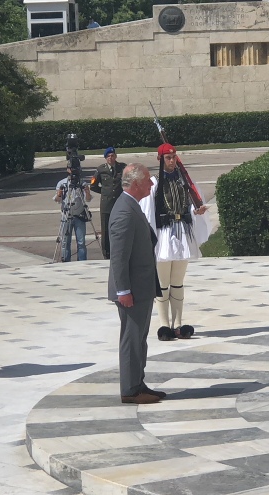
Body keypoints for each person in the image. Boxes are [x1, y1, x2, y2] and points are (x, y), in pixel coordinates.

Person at [139, 143, 210, 341]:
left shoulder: (183, 181)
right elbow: (147, 213)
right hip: (164, 235)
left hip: (182, 233)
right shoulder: (153, 184)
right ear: (160, 159)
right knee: (163, 284)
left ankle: (177, 324)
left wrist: (196, 212)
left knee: (177, 283)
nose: (171, 161)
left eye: (173, 157)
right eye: (168, 158)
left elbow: (190, 205)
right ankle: (164, 325)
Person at [108, 163, 166, 405]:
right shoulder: (124, 211)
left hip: (140, 288)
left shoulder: (131, 206)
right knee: (132, 339)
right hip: (131, 290)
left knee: (139, 338)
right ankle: (130, 390)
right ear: (136, 184)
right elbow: (119, 256)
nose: (152, 185)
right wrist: (123, 290)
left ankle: (137, 383)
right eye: (148, 181)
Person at [89, 147, 127, 258]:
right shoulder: (101, 170)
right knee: (106, 230)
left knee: (122, 227)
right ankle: (107, 254)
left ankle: (121, 250)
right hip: (106, 204)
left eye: (112, 155)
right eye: (108, 156)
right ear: (105, 158)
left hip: (120, 203)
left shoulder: (122, 167)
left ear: (115, 156)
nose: (110, 158)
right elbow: (93, 185)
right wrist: (105, 192)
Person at [54, 164, 93, 262]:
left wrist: (87, 192)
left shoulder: (81, 183)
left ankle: (82, 261)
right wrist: (59, 194)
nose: (73, 170)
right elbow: (57, 200)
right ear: (68, 170)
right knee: (65, 242)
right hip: (66, 216)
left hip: (79, 215)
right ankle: (66, 261)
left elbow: (87, 200)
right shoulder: (62, 183)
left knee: (81, 242)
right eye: (71, 168)